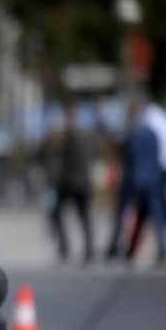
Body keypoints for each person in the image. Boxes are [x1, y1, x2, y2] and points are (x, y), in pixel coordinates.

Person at [106, 96, 166, 265]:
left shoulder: (133, 133)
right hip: (153, 179)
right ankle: (163, 248)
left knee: (122, 213)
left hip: (134, 179)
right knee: (156, 215)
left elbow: (128, 158)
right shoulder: (153, 133)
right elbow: (158, 157)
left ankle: (113, 246)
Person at [125, 101, 166, 259]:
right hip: (161, 169)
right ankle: (131, 249)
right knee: (148, 210)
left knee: (158, 208)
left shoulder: (149, 123)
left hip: (158, 170)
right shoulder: (160, 119)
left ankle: (163, 247)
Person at [47, 103, 96, 263]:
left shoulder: (66, 135)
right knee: (84, 217)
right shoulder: (87, 134)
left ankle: (64, 247)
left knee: (57, 214)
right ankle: (89, 249)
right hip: (84, 181)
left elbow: (60, 159)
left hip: (69, 182)